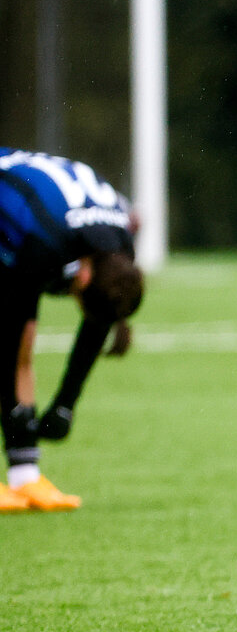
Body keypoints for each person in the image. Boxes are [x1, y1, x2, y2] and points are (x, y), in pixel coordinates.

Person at [0, 148, 144, 513]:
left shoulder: (120, 247)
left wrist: (66, 403)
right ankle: (22, 467)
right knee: (18, 342)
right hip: (17, 212)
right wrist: (19, 414)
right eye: (80, 296)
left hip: (34, 216)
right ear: (83, 275)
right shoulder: (43, 240)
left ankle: (25, 478)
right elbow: (14, 334)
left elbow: (99, 318)